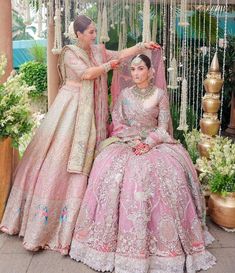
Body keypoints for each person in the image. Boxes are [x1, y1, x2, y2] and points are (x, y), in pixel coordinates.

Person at [0, 15, 159, 255]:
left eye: (95, 32)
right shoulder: (69, 52)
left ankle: (80, 225)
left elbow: (119, 54)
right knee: (60, 158)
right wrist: (107, 67)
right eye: (91, 32)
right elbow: (86, 74)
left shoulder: (97, 50)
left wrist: (142, 46)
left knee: (85, 160)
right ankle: (45, 227)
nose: (95, 36)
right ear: (79, 34)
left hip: (91, 111)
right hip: (72, 109)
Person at [69, 54, 216, 272]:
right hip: (126, 141)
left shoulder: (159, 95)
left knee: (170, 171)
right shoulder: (125, 95)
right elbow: (117, 123)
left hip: (155, 142)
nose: (136, 74)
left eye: (141, 69)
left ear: (150, 71)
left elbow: (163, 126)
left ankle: (165, 245)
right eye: (133, 69)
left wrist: (148, 143)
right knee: (107, 168)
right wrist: (132, 139)